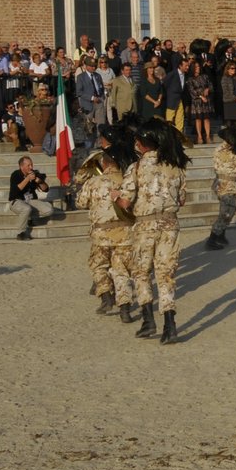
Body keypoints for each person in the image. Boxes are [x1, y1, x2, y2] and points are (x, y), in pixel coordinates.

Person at [117, 118, 190, 344]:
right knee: (166, 274)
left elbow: (125, 202)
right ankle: (170, 323)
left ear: (142, 143)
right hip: (170, 224)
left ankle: (148, 320)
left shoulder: (136, 167)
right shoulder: (175, 165)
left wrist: (115, 198)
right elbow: (182, 200)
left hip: (145, 225)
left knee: (141, 272)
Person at [76, 144, 134, 316]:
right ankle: (124, 307)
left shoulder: (94, 182)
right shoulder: (126, 181)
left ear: (104, 163)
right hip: (124, 233)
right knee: (121, 269)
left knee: (98, 266)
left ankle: (106, 297)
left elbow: (80, 203)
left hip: (101, 234)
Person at [8, 155, 54, 240]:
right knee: (26, 209)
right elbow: (17, 190)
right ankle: (20, 233)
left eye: (31, 165)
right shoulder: (15, 174)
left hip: (30, 201)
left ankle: (29, 217)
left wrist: (40, 181)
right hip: (16, 201)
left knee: (49, 210)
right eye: (28, 165)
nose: (31, 167)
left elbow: (46, 189)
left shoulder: (34, 173)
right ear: (21, 166)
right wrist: (27, 178)